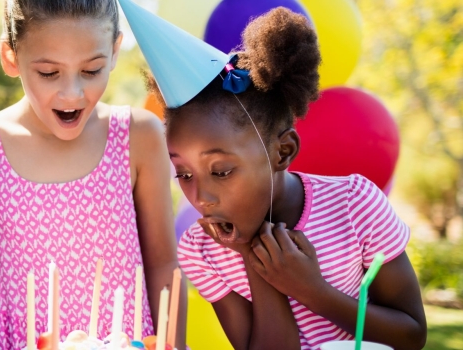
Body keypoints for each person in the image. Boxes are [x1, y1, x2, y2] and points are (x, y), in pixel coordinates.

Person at [120, 1, 427, 349]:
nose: (201, 197)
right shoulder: (201, 249)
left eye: (220, 170)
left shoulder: (355, 203)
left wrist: (311, 290)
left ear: (282, 151)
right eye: (184, 174)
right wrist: (252, 255)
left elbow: (412, 334)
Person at [0, 0, 186, 348]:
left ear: (115, 51)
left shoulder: (139, 134)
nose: (72, 93)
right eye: (48, 73)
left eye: (91, 70)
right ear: (11, 57)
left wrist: (172, 344)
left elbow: (162, 264)